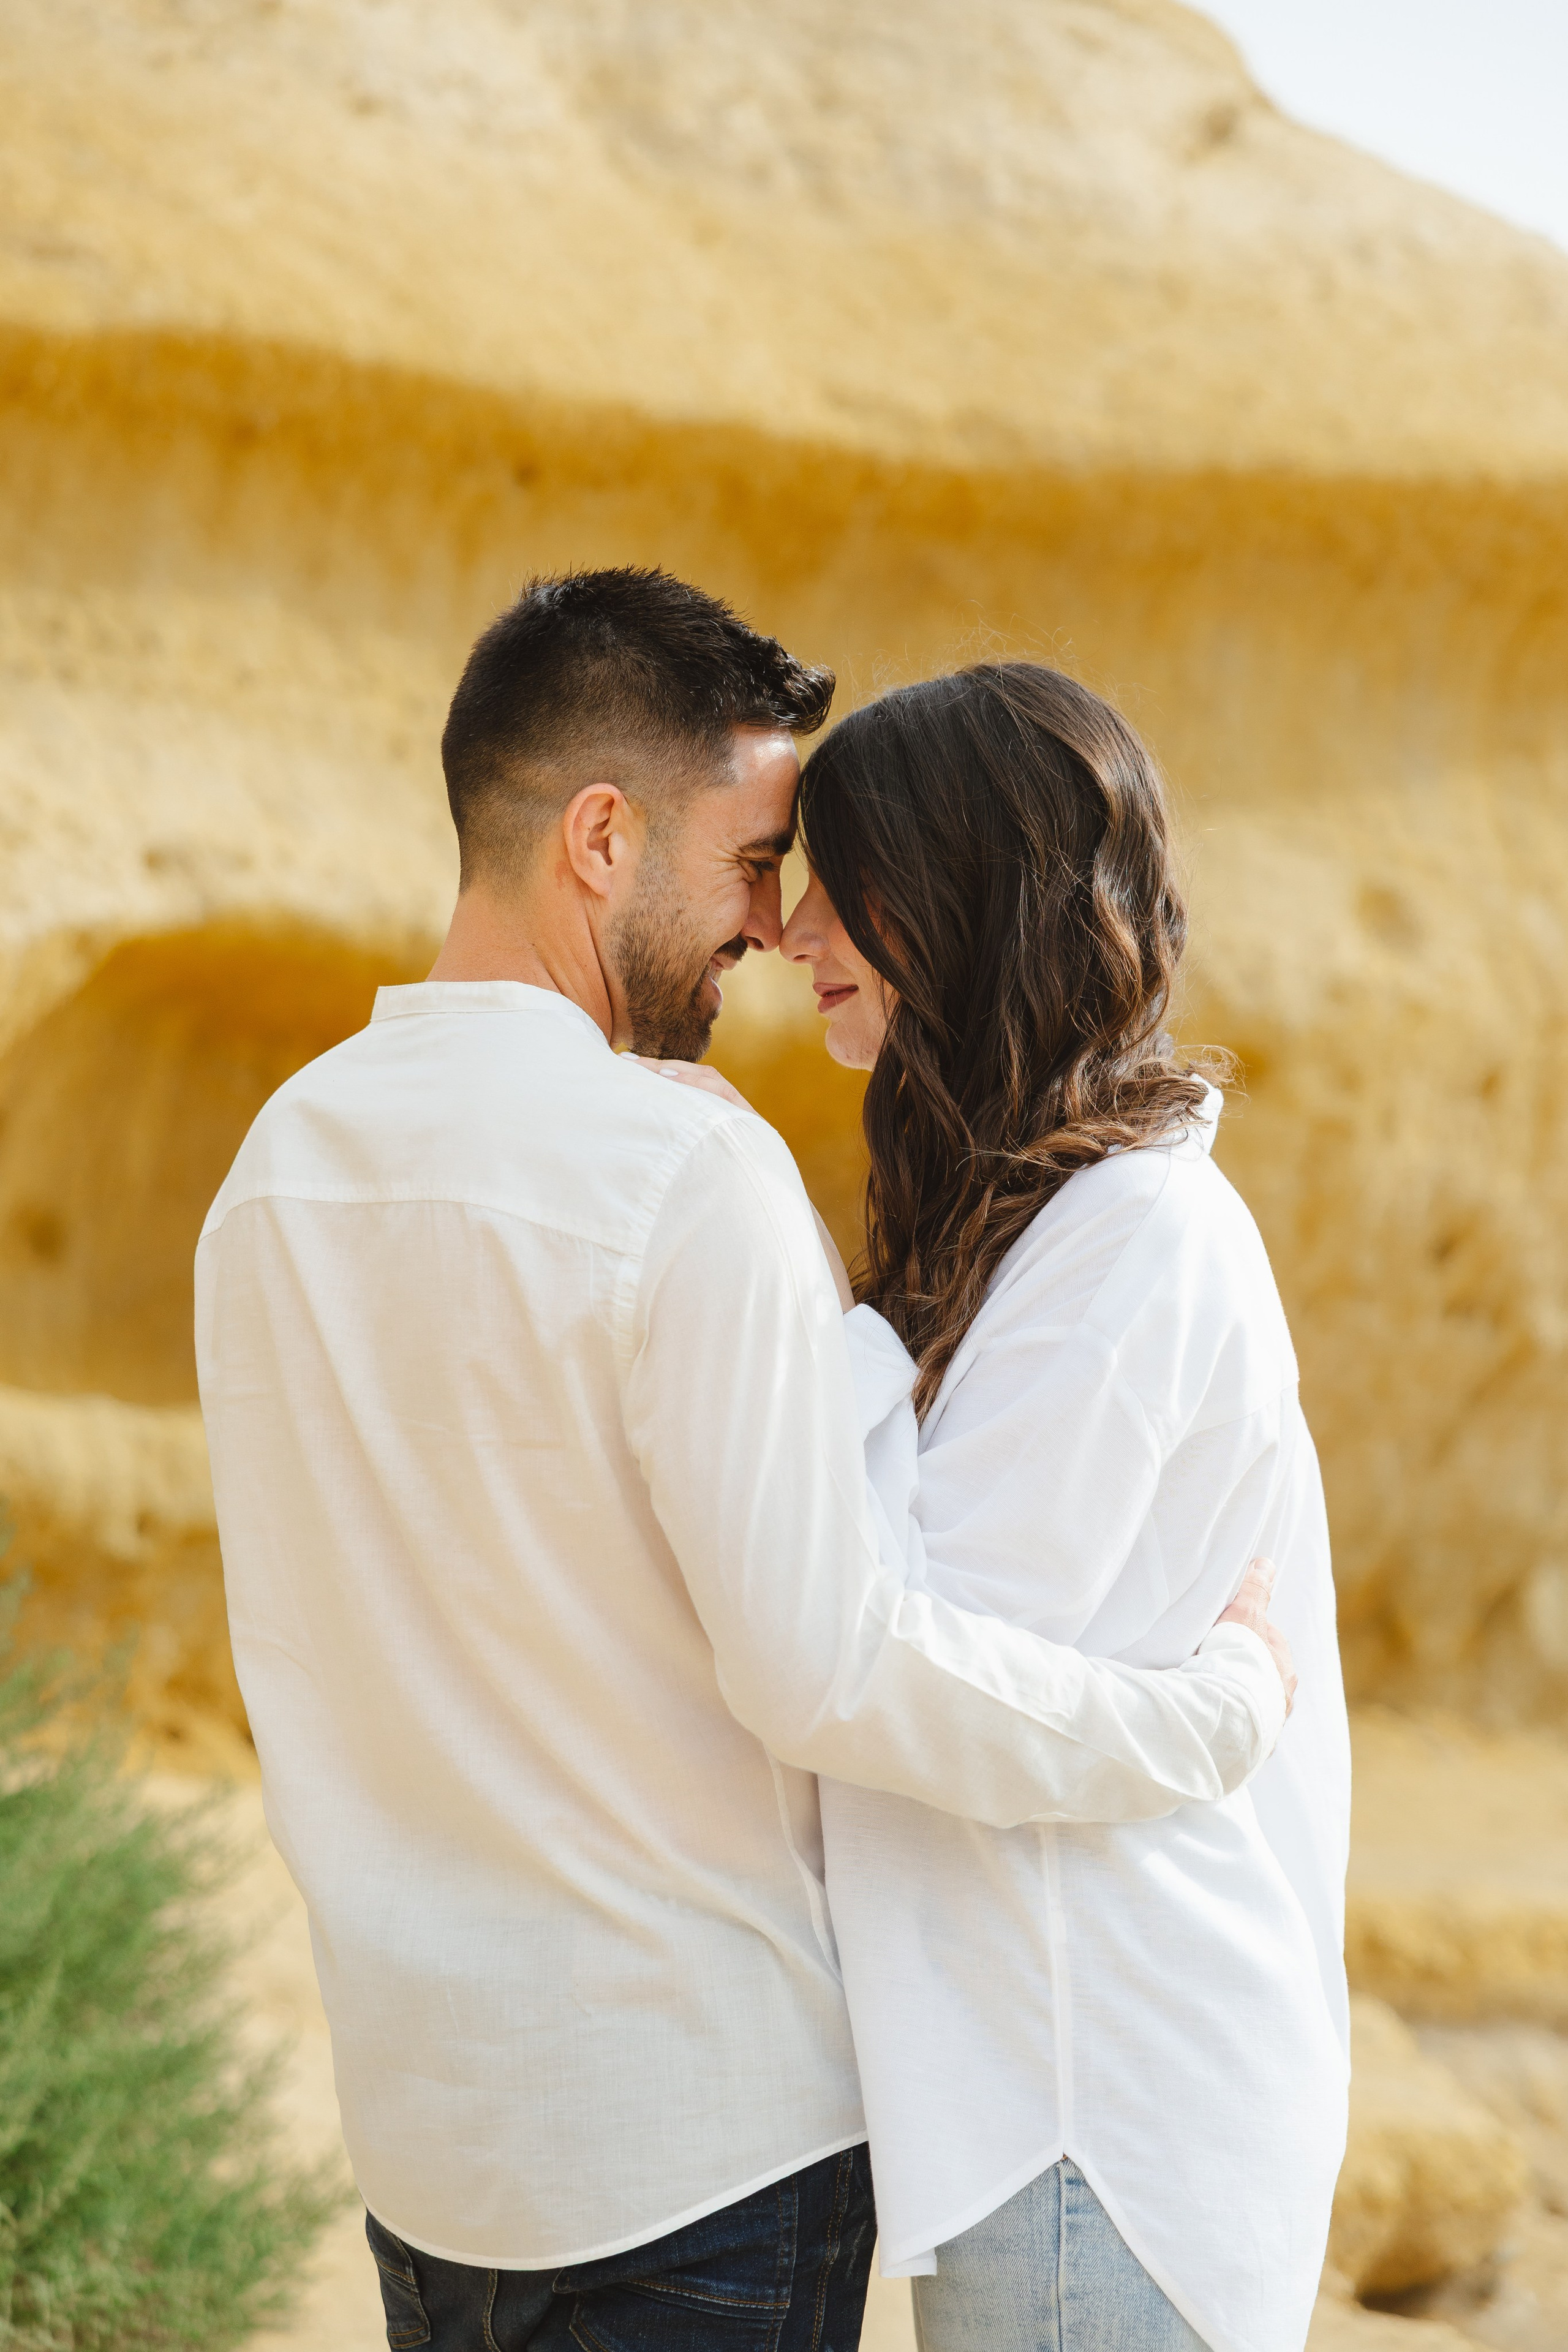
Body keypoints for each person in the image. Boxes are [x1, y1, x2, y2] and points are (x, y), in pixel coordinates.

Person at [195, 572, 1294, 2352]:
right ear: (603, 840)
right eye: (753, 861)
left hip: (421, 2146)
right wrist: (1217, 1712)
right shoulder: (681, 1176)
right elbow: (839, 1662)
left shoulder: (275, 1172)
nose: (772, 929)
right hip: (697, 2149)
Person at [658, 662, 1349, 2352]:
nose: (798, 933)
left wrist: (1225, 1707)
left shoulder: (1137, 1240)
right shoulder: (1040, 1231)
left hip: (1099, 2114)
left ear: (971, 904)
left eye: (850, 883)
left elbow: (913, 1656)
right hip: (1048, 2107)